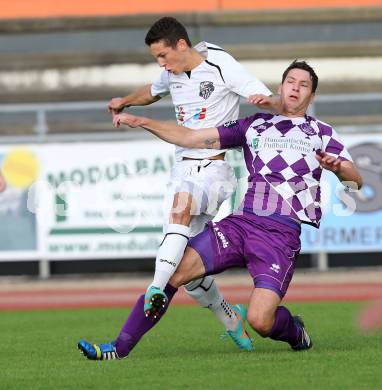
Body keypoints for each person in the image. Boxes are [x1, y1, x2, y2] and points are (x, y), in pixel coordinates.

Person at [78, 60, 362, 360]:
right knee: (174, 273)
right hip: (241, 224)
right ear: (281, 87)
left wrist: (339, 168)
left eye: (304, 85)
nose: (295, 87)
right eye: (291, 81)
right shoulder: (255, 125)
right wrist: (142, 122)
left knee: (260, 321)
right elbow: (191, 137)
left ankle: (295, 331)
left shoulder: (321, 133)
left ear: (312, 97)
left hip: (280, 236)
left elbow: (355, 180)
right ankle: (118, 348)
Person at [107, 16, 281, 350]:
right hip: (181, 168)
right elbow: (151, 91)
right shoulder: (171, 73)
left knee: (180, 206)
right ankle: (233, 321)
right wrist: (124, 100)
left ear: (181, 45)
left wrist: (274, 103)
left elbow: (262, 94)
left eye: (163, 56)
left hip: (213, 170)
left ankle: (155, 290)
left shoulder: (220, 64)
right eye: (156, 58)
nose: (161, 63)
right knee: (190, 272)